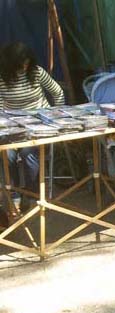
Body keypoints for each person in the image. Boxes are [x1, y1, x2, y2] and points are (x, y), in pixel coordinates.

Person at [0, 42, 64, 211]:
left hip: (38, 123)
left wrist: (56, 116)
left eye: (27, 61)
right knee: (7, 154)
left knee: (29, 153)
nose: (25, 65)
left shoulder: (36, 72)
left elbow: (57, 92)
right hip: (12, 125)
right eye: (21, 63)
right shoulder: (2, 77)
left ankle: (30, 193)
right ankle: (13, 193)